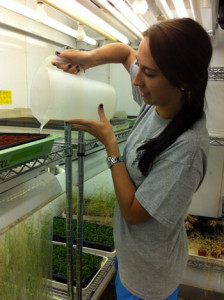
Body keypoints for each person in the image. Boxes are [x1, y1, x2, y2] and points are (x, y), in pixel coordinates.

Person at [53, 18, 212, 300]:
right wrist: (86, 59)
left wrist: (110, 145)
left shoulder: (186, 148)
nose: (137, 79)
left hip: (149, 279)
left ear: (183, 81)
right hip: (130, 258)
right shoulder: (160, 102)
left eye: (149, 73)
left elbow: (133, 213)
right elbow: (126, 53)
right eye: (142, 66)